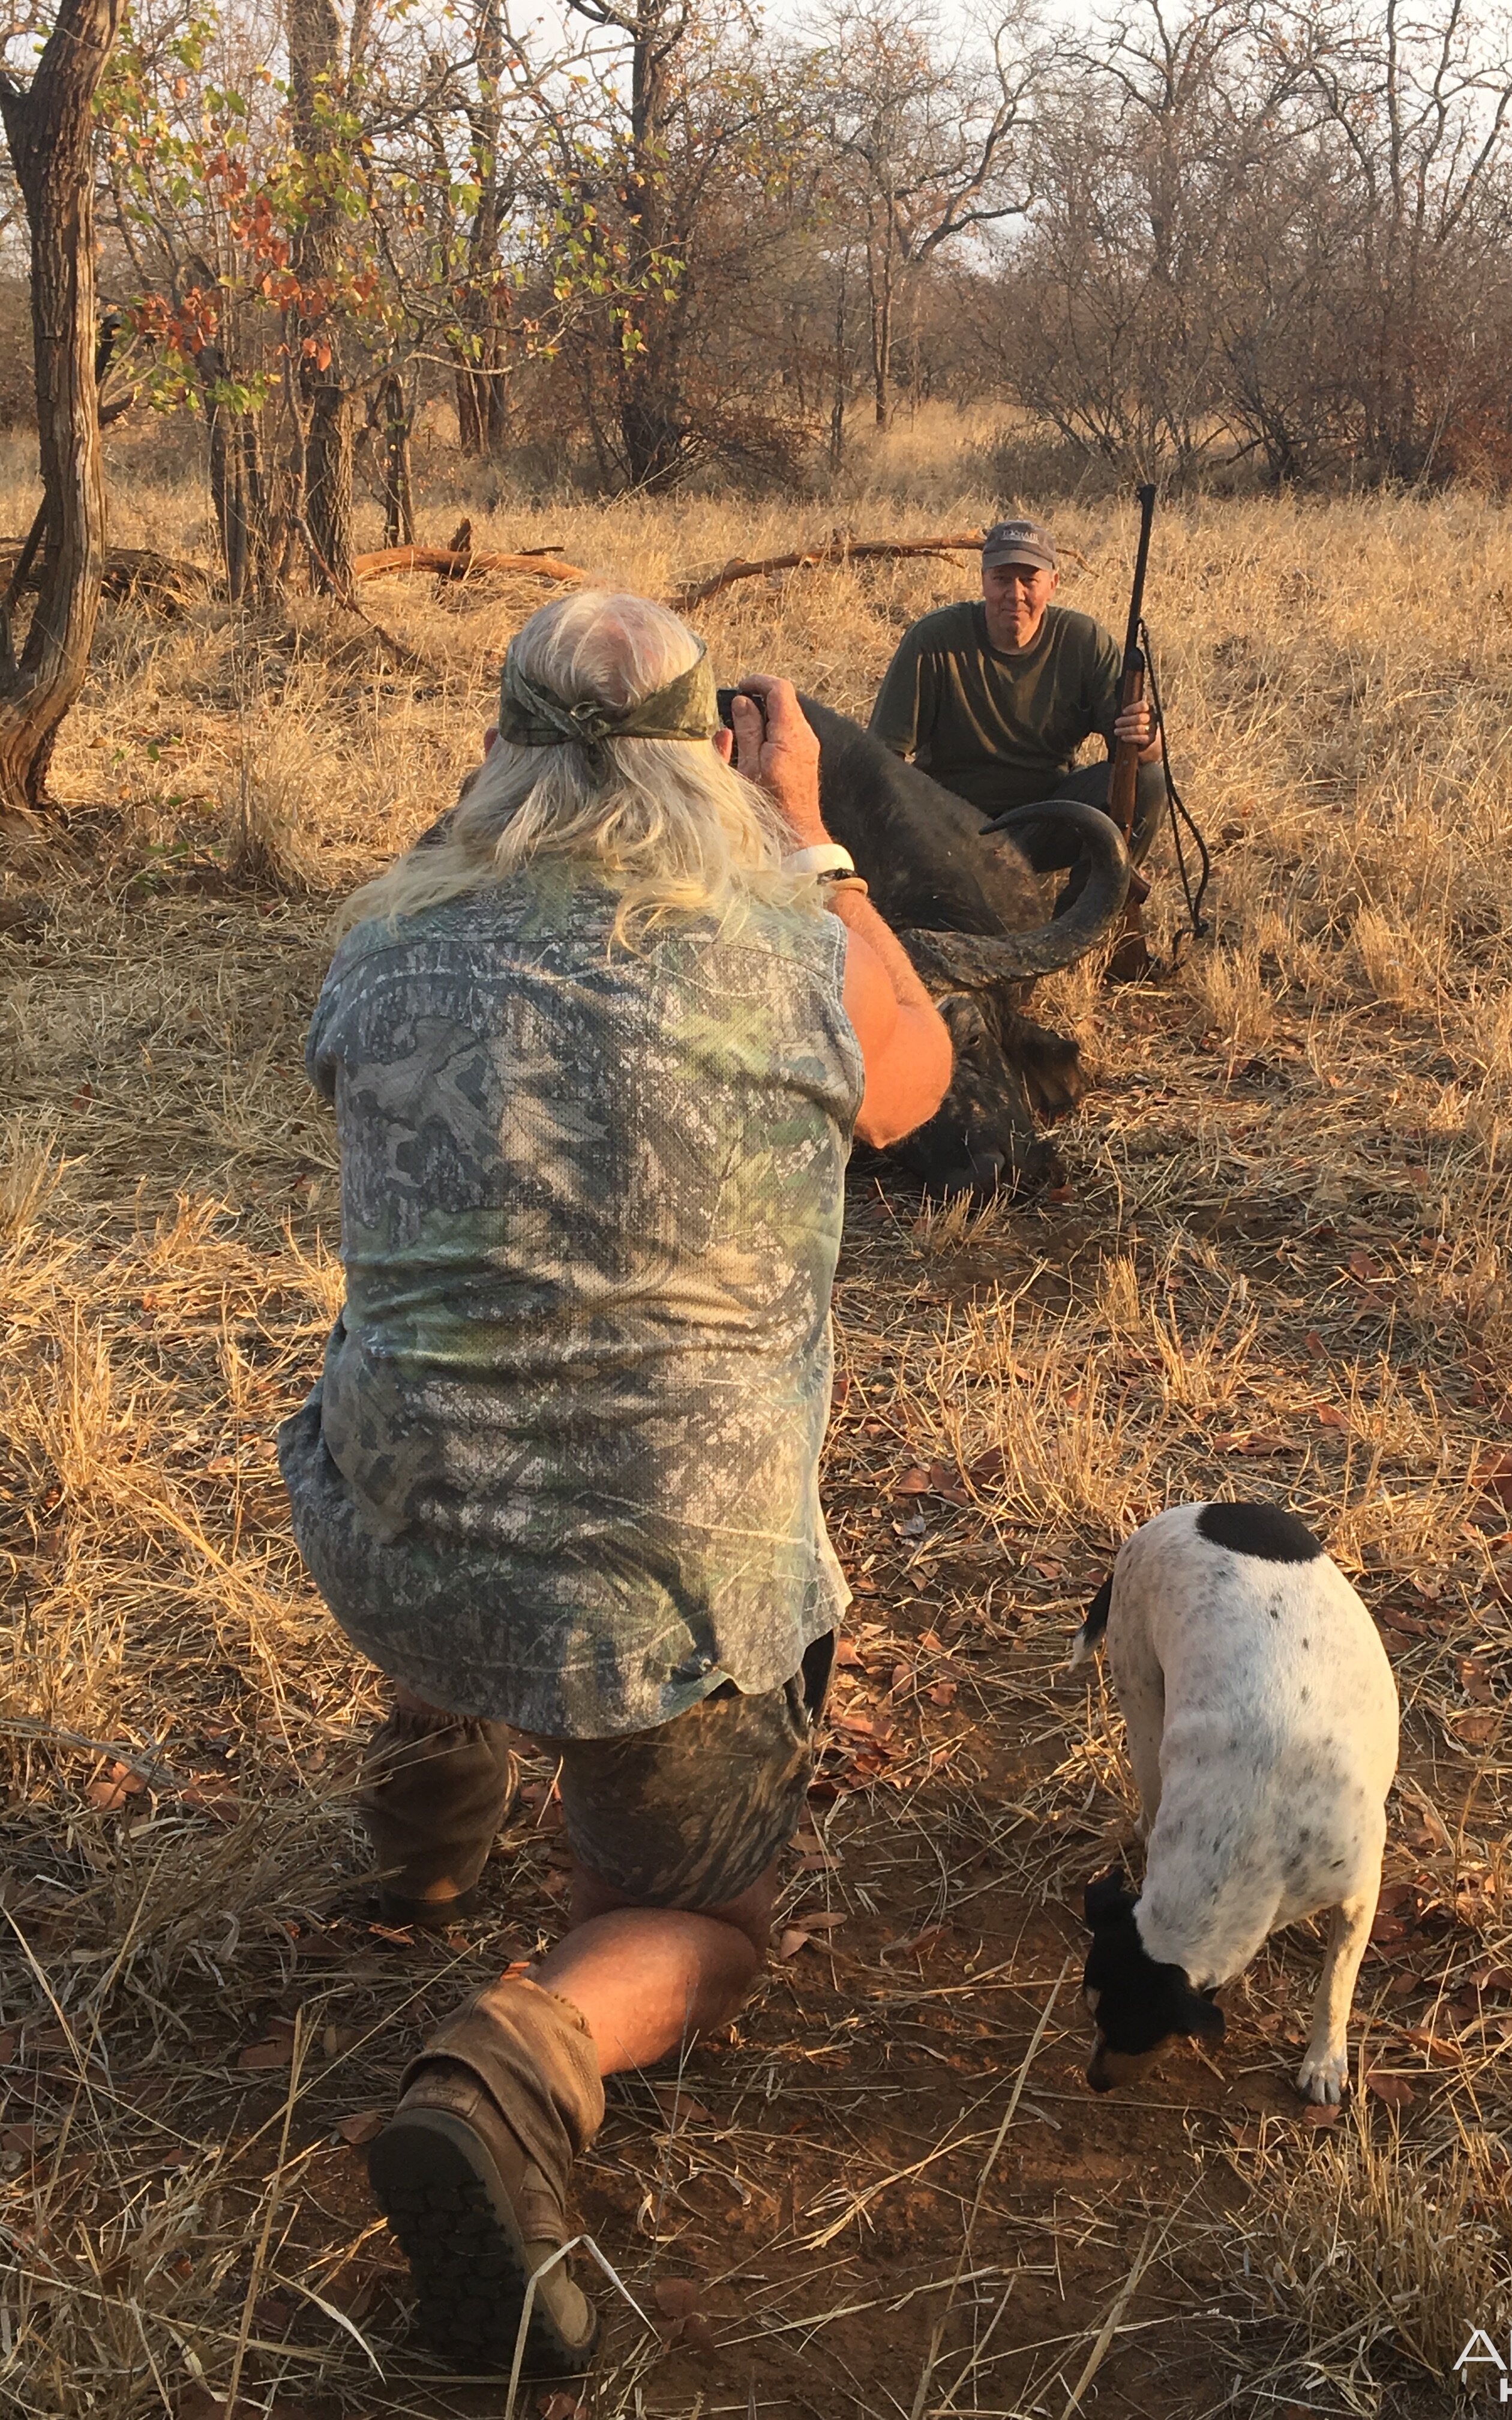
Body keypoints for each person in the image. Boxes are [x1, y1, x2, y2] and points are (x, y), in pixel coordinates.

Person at [277, 591, 951, 2376]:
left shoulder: (381, 950)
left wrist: (505, 798)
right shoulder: (782, 946)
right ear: (703, 755)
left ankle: (417, 1839)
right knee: (714, 1919)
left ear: (496, 753)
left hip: (391, 1532)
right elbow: (924, 1081)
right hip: (658, 1586)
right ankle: (513, 2075)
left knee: (471, 1396)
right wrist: (806, 829)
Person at [867, 516, 1166, 877]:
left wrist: (1145, 736)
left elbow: (1139, 754)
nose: (1016, 594)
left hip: (1049, 816)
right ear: (983, 581)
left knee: (1149, 781)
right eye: (1002, 579)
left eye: (1029, 580)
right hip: (950, 825)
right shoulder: (933, 639)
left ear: (1053, 584)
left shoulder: (1084, 641)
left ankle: (1086, 910)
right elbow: (882, 757)